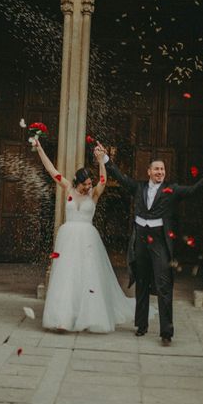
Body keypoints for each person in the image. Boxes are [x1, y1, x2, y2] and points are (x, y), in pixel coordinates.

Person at [96, 141, 203, 345]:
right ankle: (141, 325)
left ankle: (166, 332)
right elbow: (121, 178)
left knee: (164, 284)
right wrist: (105, 159)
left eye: (162, 169)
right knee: (142, 283)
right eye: (156, 169)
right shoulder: (138, 187)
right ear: (148, 171)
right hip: (140, 241)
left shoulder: (171, 190)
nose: (160, 172)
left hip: (159, 242)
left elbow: (193, 191)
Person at [35, 138, 144, 333]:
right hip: (68, 238)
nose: (88, 187)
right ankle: (63, 318)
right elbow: (52, 171)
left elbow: (103, 180)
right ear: (77, 182)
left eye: (89, 183)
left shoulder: (94, 194)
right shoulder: (68, 187)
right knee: (66, 276)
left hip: (87, 239)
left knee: (87, 277)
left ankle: (87, 316)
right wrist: (40, 149)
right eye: (85, 184)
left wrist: (101, 160)